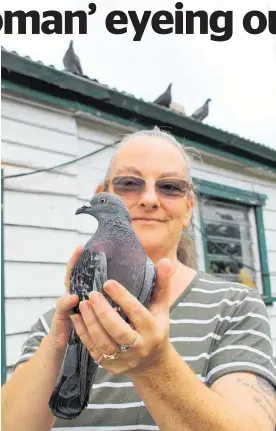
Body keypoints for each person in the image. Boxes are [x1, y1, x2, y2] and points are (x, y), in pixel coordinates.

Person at [2, 127, 276, 431]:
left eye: (170, 187)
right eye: (128, 183)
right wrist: (61, 341)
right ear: (101, 196)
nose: (148, 199)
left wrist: (154, 367)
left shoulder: (236, 308)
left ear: (188, 210)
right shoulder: (52, 323)